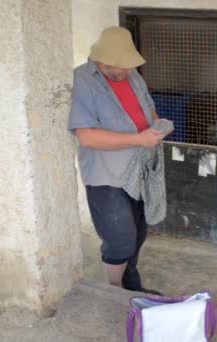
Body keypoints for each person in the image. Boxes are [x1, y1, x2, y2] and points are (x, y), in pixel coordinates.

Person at [68, 26, 167, 294]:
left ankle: (130, 286)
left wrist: (155, 122)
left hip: (139, 169)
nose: (123, 72)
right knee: (120, 240)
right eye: (117, 66)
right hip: (106, 176)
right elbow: (86, 136)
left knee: (138, 234)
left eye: (127, 65)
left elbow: (148, 107)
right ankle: (113, 292)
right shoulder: (82, 81)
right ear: (100, 59)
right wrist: (139, 139)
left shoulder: (132, 75)